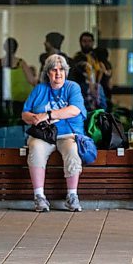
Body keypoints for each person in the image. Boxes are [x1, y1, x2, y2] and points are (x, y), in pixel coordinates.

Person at [22, 54, 87, 212]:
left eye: (62, 70)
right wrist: (35, 117)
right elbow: (24, 114)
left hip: (67, 134)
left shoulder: (72, 87)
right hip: (44, 135)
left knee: (73, 150)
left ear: (66, 72)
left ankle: (72, 196)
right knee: (35, 148)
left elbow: (74, 110)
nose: (58, 73)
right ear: (47, 73)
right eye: (54, 70)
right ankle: (39, 197)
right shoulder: (40, 89)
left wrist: (49, 115)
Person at [0, 37, 37, 116]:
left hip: (2, 97)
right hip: (19, 99)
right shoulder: (21, 63)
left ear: (4, 47)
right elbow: (31, 80)